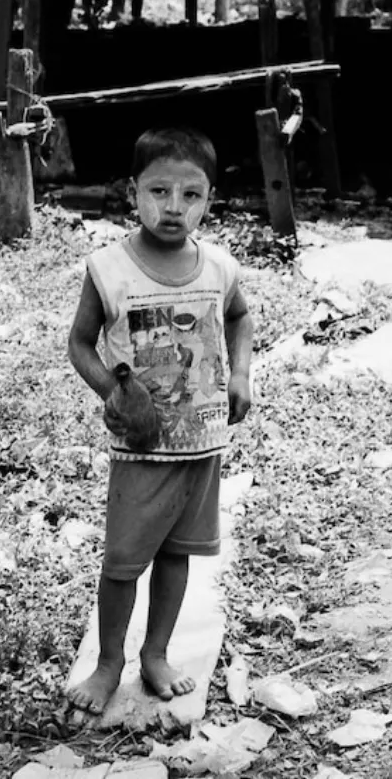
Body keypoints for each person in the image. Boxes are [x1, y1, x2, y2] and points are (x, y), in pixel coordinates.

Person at [66, 126, 254, 715]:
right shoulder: (109, 269)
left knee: (178, 555)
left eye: (191, 195)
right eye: (159, 191)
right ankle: (107, 663)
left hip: (201, 445)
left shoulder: (219, 267)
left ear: (210, 199)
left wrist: (242, 374)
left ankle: (156, 653)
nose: (174, 207)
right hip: (141, 449)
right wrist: (113, 395)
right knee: (123, 564)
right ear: (133, 193)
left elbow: (240, 318)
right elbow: (79, 343)